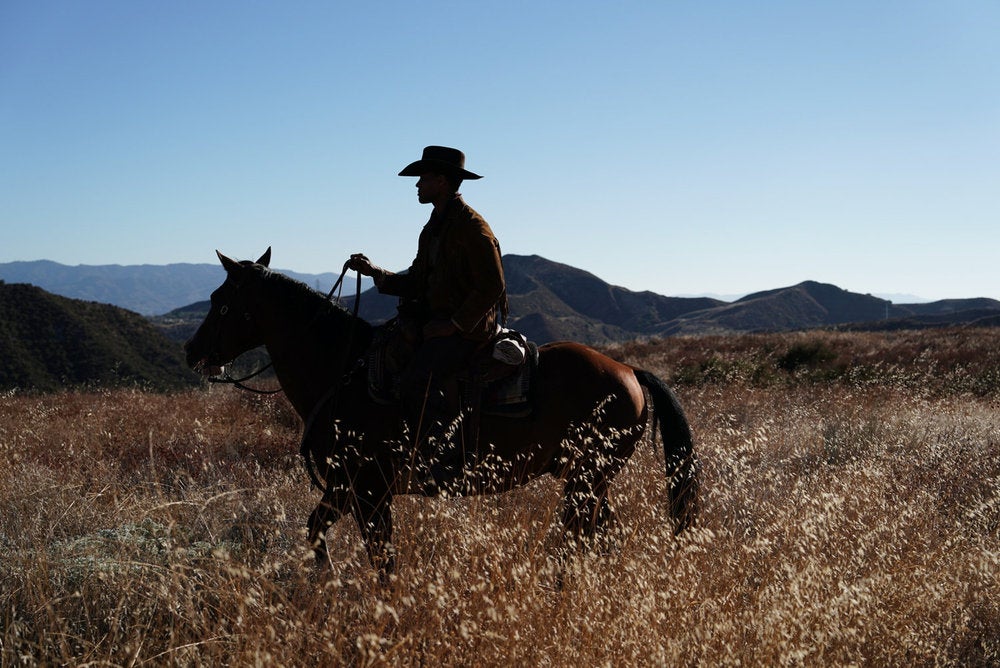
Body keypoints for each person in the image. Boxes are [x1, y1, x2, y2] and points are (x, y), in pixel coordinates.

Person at [348, 146, 508, 485]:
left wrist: (452, 325)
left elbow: (493, 286)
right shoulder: (434, 226)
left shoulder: (472, 227)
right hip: (439, 321)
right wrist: (376, 272)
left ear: (442, 181)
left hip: (470, 327)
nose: (417, 185)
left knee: (419, 377)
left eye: (423, 178)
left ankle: (440, 460)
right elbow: (419, 279)